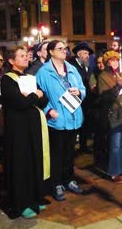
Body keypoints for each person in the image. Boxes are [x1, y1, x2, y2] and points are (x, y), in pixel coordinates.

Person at [1, 46, 50, 218]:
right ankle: (21, 203)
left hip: (33, 126)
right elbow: (20, 104)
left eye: (26, 55)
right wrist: (34, 96)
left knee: (34, 161)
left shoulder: (30, 77)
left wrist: (36, 95)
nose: (26, 58)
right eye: (21, 56)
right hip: (19, 129)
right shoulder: (6, 80)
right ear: (11, 60)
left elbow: (43, 99)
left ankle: (36, 198)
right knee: (22, 164)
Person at [36, 40, 86, 201]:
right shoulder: (43, 72)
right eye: (60, 48)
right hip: (56, 120)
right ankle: (56, 184)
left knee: (70, 153)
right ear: (50, 52)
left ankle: (69, 179)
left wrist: (79, 91)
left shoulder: (72, 69)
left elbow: (83, 89)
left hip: (74, 116)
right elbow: (38, 96)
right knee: (56, 154)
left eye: (65, 48)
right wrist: (48, 110)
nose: (64, 51)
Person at [98, 50, 122, 183]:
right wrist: (118, 85)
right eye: (111, 60)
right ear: (107, 63)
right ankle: (113, 171)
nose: (114, 62)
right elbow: (104, 96)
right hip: (114, 113)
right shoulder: (103, 76)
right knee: (115, 144)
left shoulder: (119, 74)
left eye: (115, 60)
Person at [70, 41, 94, 153]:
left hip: (87, 100)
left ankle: (83, 146)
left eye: (88, 54)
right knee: (75, 125)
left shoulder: (87, 66)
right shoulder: (70, 65)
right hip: (75, 100)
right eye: (85, 53)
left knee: (86, 124)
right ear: (78, 54)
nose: (87, 56)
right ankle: (72, 148)